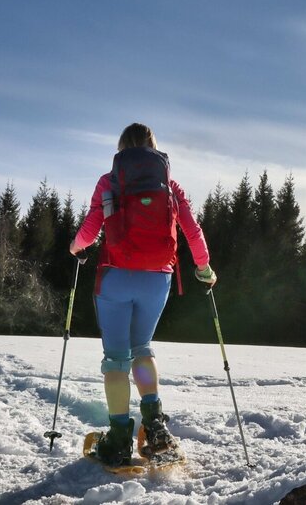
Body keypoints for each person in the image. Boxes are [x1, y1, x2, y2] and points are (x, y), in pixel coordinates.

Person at [70, 122, 217, 466]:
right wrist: (205, 269)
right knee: (142, 349)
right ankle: (155, 429)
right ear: (153, 149)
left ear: (121, 150)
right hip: (158, 279)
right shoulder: (170, 186)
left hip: (116, 278)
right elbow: (192, 231)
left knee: (117, 359)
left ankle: (119, 440)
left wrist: (76, 248)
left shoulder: (109, 183)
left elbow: (89, 231)